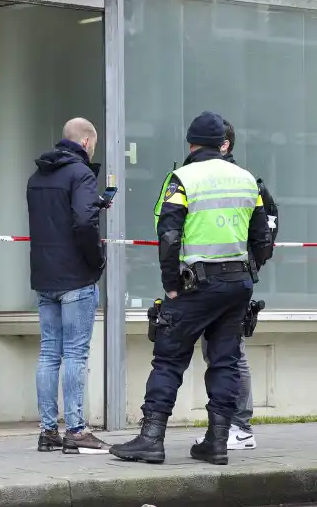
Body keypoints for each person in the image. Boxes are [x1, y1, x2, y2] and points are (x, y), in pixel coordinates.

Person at [110, 112, 270, 466]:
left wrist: (170, 286)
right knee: (225, 361)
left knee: (169, 358)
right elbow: (263, 238)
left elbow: (168, 236)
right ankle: (217, 441)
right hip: (237, 284)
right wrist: (248, 271)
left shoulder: (182, 178)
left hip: (195, 285)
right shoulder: (247, 180)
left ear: (191, 143)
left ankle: (151, 439)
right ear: (222, 143)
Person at [192, 120, 279, 451]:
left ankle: (239, 426)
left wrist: (250, 265)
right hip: (219, 280)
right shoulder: (221, 180)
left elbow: (265, 232)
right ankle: (226, 426)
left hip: (229, 280)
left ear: (224, 145)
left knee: (230, 353)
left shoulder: (244, 182)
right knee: (218, 353)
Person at [26, 117, 111, 455]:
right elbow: (84, 224)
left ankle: (48, 430)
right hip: (76, 276)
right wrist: (97, 261)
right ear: (87, 142)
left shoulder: (36, 177)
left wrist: (93, 203)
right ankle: (76, 430)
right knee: (75, 352)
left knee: (49, 352)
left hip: (44, 276)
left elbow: (54, 220)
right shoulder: (82, 175)